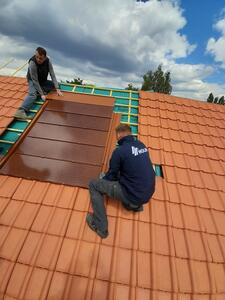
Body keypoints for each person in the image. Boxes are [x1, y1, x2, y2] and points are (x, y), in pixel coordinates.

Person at [86, 123, 156, 238]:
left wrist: (103, 179)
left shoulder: (119, 151)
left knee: (94, 184)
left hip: (134, 195)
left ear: (118, 135)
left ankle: (101, 227)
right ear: (130, 133)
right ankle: (135, 206)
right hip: (147, 193)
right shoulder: (141, 145)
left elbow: (111, 176)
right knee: (128, 170)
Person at [15, 47, 63, 119]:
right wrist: (42, 94)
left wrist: (57, 88)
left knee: (56, 85)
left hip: (42, 81)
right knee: (33, 95)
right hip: (32, 80)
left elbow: (52, 74)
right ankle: (21, 111)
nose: (38, 59)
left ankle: (39, 90)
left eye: (40, 58)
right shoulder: (32, 63)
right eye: (37, 57)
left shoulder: (48, 60)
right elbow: (35, 80)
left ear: (45, 57)